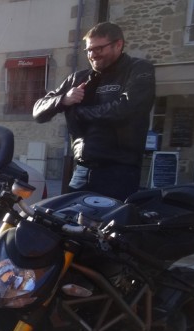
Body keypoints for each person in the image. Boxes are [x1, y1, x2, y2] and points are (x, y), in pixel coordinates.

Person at [33, 22, 155, 201]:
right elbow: (38, 111)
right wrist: (64, 99)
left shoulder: (138, 69)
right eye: (88, 50)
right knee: (67, 224)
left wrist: (79, 112)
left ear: (118, 45)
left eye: (98, 49)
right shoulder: (78, 78)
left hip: (120, 171)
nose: (92, 55)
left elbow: (127, 109)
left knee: (107, 227)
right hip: (82, 170)